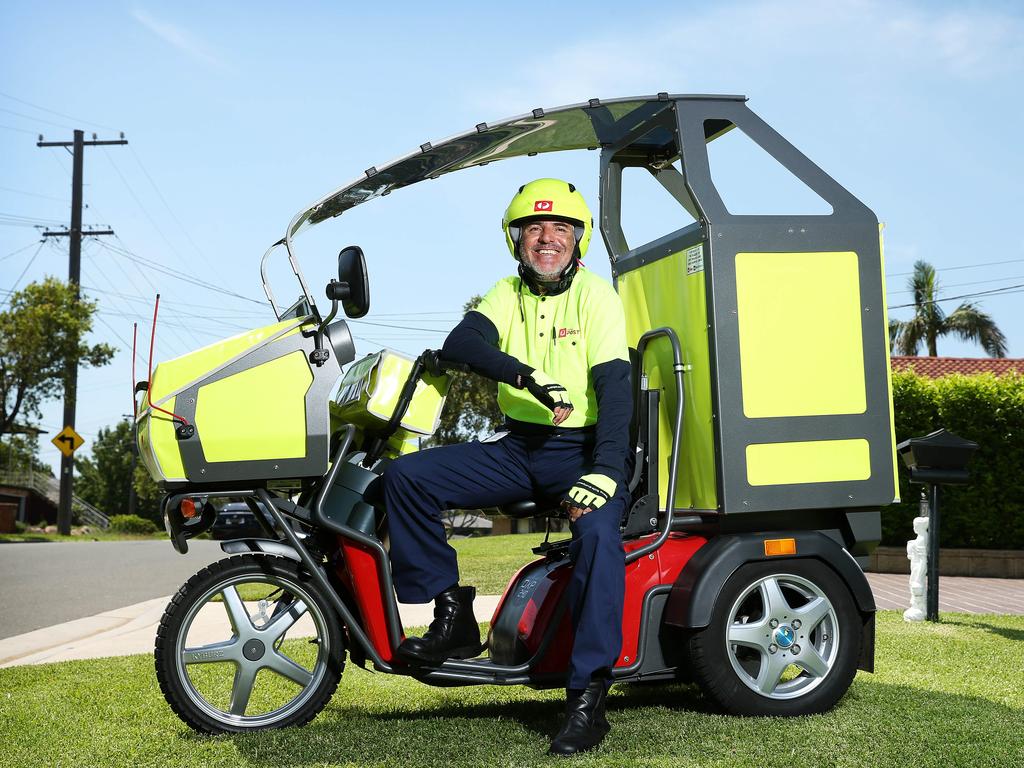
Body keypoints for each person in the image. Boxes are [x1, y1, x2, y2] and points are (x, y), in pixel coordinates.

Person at [382, 178, 631, 756]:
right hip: (520, 449)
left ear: (579, 239)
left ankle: (588, 698)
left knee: (597, 536)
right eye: (535, 229)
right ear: (516, 240)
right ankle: (453, 616)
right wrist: (521, 375)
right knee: (407, 477)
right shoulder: (503, 293)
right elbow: (462, 341)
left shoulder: (597, 297)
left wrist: (607, 470)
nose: (548, 239)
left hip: (584, 453)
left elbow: (616, 393)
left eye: (561, 229)